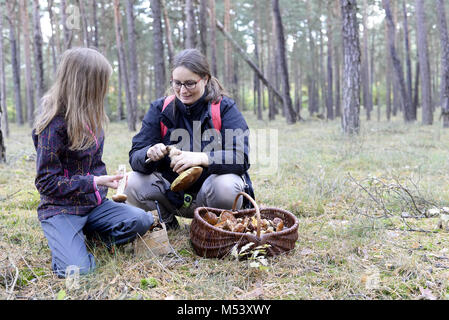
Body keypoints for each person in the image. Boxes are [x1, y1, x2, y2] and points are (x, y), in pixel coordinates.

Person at [32, 48, 153, 278]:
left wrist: (110, 181)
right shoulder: (53, 125)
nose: (105, 90)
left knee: (142, 219)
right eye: (102, 83)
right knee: (77, 271)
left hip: (94, 206)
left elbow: (95, 166)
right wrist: (94, 181)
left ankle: (90, 237)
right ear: (86, 85)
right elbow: (46, 183)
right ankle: (69, 246)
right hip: (61, 210)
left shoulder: (93, 120)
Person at [125, 48, 254, 230]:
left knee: (226, 185)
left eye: (190, 83)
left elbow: (241, 157)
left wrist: (202, 158)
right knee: (131, 181)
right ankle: (166, 224)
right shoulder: (160, 109)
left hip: (210, 194)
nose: (183, 90)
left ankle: (213, 227)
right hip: (171, 194)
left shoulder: (224, 108)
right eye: (177, 83)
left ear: (205, 79)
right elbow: (135, 156)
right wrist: (148, 153)